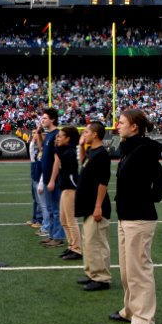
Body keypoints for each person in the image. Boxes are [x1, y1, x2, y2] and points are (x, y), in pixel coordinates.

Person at [111, 109, 162, 324]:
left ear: (134, 126)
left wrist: (146, 199)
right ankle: (130, 310)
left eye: (122, 122)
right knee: (127, 270)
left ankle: (145, 321)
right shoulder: (131, 149)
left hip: (139, 218)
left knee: (139, 271)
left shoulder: (143, 150)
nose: (118, 125)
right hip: (126, 216)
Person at [75, 121, 112, 291]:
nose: (84, 134)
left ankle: (101, 278)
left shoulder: (102, 154)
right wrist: (81, 146)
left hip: (96, 205)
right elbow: (83, 163)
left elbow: (103, 182)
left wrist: (98, 206)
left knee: (96, 242)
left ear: (95, 134)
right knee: (88, 242)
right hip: (88, 203)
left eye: (86, 132)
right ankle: (91, 273)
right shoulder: (92, 151)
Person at [48, 126, 82, 260]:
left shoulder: (69, 152)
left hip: (70, 188)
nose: (58, 138)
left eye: (61, 136)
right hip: (65, 188)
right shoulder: (64, 150)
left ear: (68, 138)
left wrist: (57, 152)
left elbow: (63, 166)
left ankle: (77, 249)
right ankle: (71, 245)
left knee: (70, 220)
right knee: (63, 219)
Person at [39, 108, 66, 247]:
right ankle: (51, 234)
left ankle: (59, 237)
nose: (42, 120)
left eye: (45, 118)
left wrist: (51, 180)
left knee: (56, 209)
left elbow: (57, 160)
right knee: (50, 209)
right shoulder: (49, 135)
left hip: (53, 178)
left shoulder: (56, 135)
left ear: (52, 119)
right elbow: (43, 152)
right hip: (47, 176)